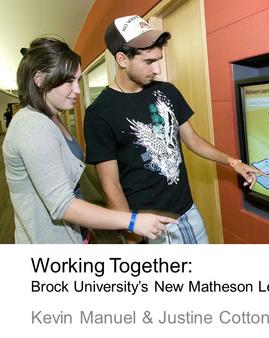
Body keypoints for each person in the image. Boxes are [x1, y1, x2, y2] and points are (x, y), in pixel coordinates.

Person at [84, 15, 263, 244]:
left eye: (159, 60)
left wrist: (234, 163)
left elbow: (193, 140)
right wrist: (131, 232)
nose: (157, 69)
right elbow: (110, 184)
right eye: (149, 61)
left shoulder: (167, 91)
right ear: (122, 59)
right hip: (148, 228)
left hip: (188, 215)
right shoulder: (99, 113)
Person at [2, 37, 176, 244]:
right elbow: (62, 205)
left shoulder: (50, 118)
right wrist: (131, 221)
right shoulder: (32, 126)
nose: (77, 90)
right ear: (39, 79)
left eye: (77, 80)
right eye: (69, 81)